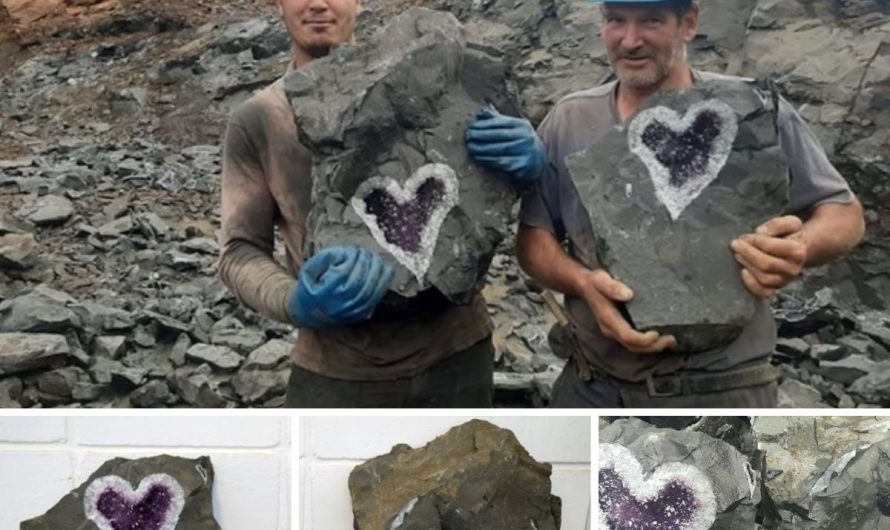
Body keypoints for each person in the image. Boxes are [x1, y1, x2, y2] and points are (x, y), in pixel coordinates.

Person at [467, 0, 866, 407]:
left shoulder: (751, 109)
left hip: (726, 387)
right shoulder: (571, 118)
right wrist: (584, 284)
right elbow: (535, 238)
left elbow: (843, 213)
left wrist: (800, 246)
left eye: (651, 21)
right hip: (592, 384)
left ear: (688, 23)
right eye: (616, 21)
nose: (630, 40)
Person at [219, 0, 505, 407]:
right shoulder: (260, 119)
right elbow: (239, 251)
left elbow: (493, 204)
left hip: (458, 354)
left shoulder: (430, 81)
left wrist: (532, 165)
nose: (318, 3)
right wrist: (294, 301)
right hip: (337, 371)